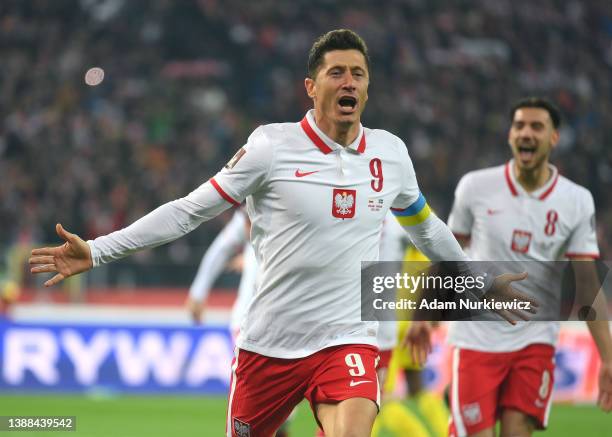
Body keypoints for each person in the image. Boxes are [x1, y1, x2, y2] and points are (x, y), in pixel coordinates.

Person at [29, 29, 531, 437]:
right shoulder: (271, 148)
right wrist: (97, 250)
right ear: (311, 87)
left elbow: (429, 231)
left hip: (346, 340)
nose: (349, 81)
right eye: (336, 72)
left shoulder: (390, 154)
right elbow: (188, 212)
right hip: (268, 346)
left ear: (368, 87)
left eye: (358, 73)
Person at [408, 97, 612, 437]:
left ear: (553, 138)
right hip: (476, 339)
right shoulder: (475, 187)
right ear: (510, 135)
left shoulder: (576, 201)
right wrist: (423, 317)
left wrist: (607, 357)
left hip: (534, 340)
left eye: (536, 127)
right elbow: (447, 255)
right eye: (519, 126)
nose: (526, 133)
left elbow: (587, 286)